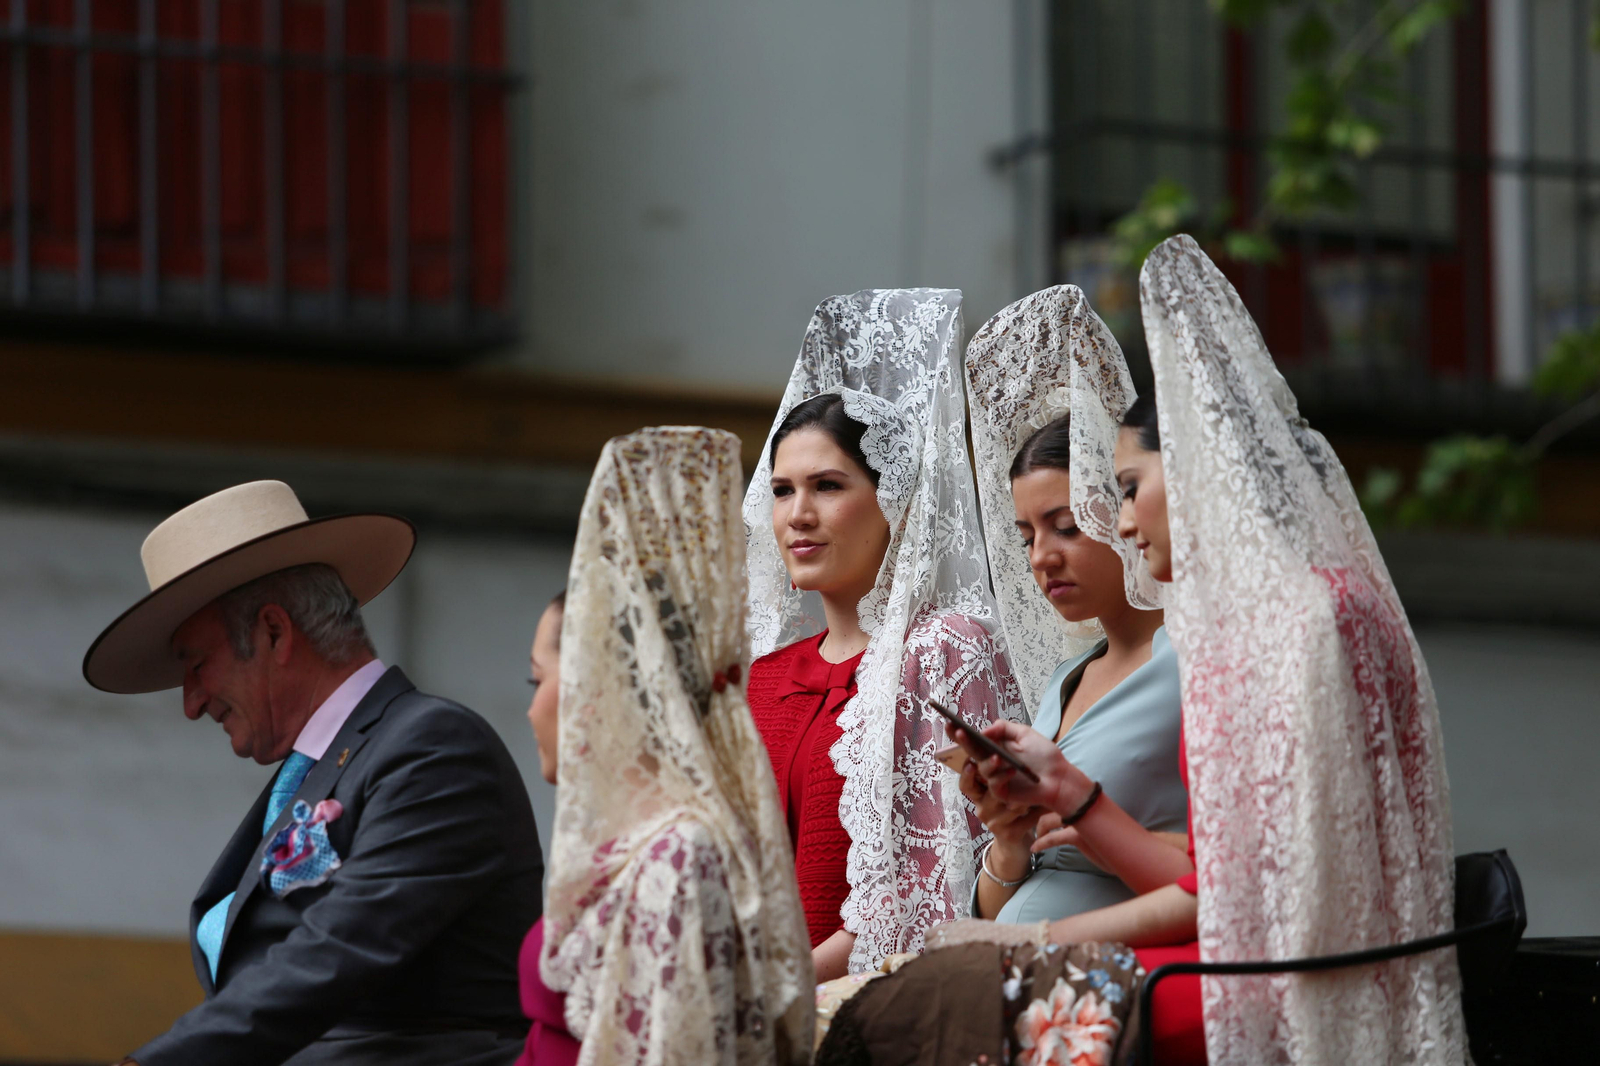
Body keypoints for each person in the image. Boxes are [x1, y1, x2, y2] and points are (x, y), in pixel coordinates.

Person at [937, 234, 1465, 1064]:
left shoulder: (1293, 625)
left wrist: (1041, 932)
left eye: (1126, 492)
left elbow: (1232, 890)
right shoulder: (1308, 609)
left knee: (914, 1016)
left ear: (1200, 478)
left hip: (1276, 982)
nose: (1123, 520)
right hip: (1264, 960)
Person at [82, 480, 544, 1066]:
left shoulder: (433, 747)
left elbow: (342, 948)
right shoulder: (319, 772)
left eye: (197, 666)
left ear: (274, 632)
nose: (191, 702)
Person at [743, 288, 1025, 978]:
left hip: (865, 1017)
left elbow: (936, 893)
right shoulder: (763, 677)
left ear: (897, 500)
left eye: (828, 486)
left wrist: (775, 1002)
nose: (797, 514)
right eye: (782, 490)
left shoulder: (948, 650)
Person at [538, 427, 815, 1065]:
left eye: (550, 674)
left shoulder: (682, 854)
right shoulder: (658, 828)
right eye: (780, 491)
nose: (536, 705)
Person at [962, 286, 1188, 924]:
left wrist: (1101, 827)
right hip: (1014, 959)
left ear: (1117, 510)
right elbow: (1005, 896)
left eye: (1066, 526)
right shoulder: (1066, 679)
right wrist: (1008, 841)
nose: (1041, 557)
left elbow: (1235, 867)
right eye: (1026, 536)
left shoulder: (1187, 659)